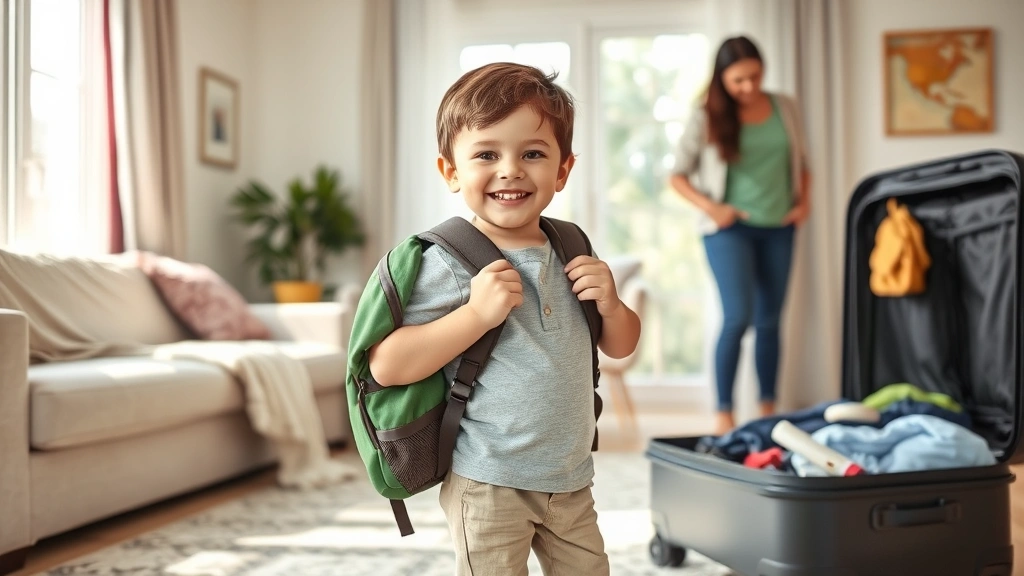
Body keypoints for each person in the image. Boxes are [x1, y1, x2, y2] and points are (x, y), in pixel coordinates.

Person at [368, 62, 641, 576]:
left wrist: (612, 304)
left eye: (533, 154)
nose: (511, 169)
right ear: (451, 171)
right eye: (487, 154)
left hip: (570, 478)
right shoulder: (446, 258)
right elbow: (387, 365)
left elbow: (620, 345)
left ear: (563, 170)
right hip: (487, 481)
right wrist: (474, 315)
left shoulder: (571, 246)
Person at [669, 36, 810, 435]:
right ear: (722, 80)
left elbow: (803, 161)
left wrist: (805, 203)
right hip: (729, 229)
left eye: (754, 77)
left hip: (780, 226)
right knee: (738, 317)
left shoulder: (786, 107)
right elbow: (677, 174)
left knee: (770, 321)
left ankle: (768, 410)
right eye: (738, 81)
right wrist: (714, 209)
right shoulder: (707, 115)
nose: (748, 87)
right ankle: (724, 414)